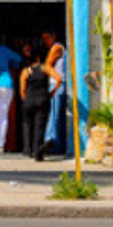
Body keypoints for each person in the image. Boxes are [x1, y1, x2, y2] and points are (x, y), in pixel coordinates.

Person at [17, 42, 52, 161]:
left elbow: (22, 89)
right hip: (42, 99)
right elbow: (58, 79)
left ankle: (27, 149)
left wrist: (25, 99)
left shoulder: (26, 71)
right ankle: (37, 150)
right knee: (39, 126)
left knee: (27, 124)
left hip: (29, 100)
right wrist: (51, 93)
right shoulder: (45, 68)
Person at [40, 30, 68, 158]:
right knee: (58, 114)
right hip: (59, 83)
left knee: (54, 113)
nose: (45, 41)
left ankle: (50, 139)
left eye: (47, 37)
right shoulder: (59, 49)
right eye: (43, 38)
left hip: (57, 84)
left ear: (54, 36)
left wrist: (57, 79)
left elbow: (47, 65)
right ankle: (57, 145)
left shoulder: (56, 47)